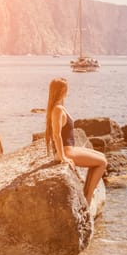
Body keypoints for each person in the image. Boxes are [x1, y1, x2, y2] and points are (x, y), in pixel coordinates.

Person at [45, 77, 107, 205]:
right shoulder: (57, 110)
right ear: (62, 90)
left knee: (101, 157)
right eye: (66, 88)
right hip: (66, 151)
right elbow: (57, 135)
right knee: (102, 163)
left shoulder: (60, 107)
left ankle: (86, 192)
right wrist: (63, 158)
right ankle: (88, 198)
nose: (67, 91)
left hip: (70, 149)